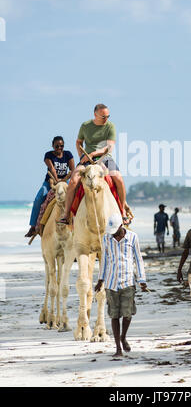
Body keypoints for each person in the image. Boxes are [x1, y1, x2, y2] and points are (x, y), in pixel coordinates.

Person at [58, 104, 129, 225]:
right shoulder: (85, 126)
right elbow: (79, 142)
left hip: (104, 157)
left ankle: (122, 212)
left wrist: (93, 154)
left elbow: (109, 147)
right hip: (86, 158)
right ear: (95, 115)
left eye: (107, 116)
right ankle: (66, 214)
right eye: (103, 116)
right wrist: (81, 156)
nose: (106, 119)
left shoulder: (110, 126)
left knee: (118, 178)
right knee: (74, 180)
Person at [94, 213, 147, 357]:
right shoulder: (106, 238)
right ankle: (118, 347)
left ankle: (123, 337)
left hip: (128, 281)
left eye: (116, 231)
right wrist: (100, 280)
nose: (114, 234)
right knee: (114, 315)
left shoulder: (133, 237)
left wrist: (142, 279)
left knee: (128, 314)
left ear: (121, 226)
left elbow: (138, 259)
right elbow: (104, 260)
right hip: (111, 283)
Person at [25, 136, 75, 237]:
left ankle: (78, 222)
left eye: (61, 146)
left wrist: (64, 180)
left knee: (76, 195)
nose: (59, 148)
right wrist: (57, 182)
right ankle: (33, 226)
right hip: (51, 181)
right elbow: (52, 169)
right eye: (57, 146)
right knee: (38, 199)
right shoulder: (48, 155)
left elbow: (72, 169)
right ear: (53, 146)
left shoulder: (68, 154)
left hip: (66, 180)